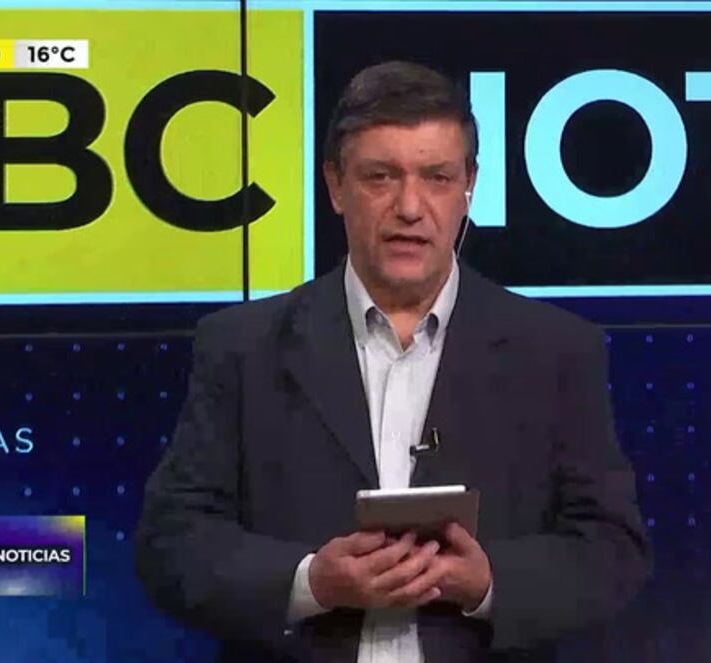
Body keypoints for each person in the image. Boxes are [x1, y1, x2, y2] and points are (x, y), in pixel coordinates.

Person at [134, 60, 650, 663]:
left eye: (437, 178)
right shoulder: (242, 347)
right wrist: (311, 582)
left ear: (469, 186)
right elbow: (173, 543)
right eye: (380, 177)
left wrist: (489, 583)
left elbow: (612, 549)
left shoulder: (555, 351)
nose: (410, 207)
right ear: (335, 186)